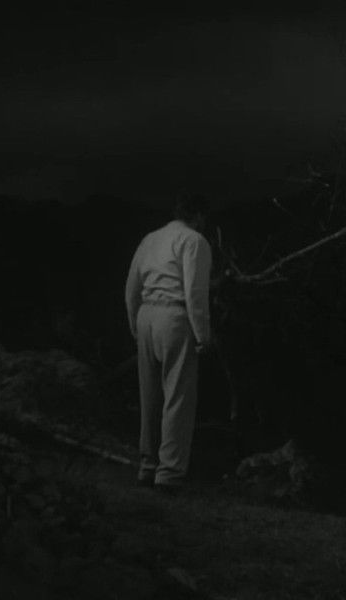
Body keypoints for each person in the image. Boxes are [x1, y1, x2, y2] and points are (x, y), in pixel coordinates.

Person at [125, 191, 212, 492]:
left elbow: (131, 287)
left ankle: (147, 466)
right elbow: (195, 293)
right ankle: (169, 473)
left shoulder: (150, 239)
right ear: (198, 216)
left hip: (146, 315)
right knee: (178, 397)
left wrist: (135, 324)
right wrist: (203, 334)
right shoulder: (194, 241)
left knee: (149, 396)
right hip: (174, 317)